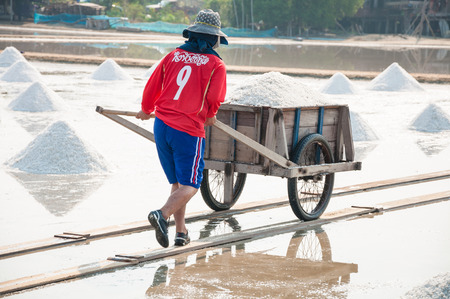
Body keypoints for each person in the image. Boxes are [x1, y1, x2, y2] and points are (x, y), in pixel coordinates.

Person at [136, 9, 228, 248]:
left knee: (178, 181)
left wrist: (146, 110)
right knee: (192, 184)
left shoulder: (174, 55)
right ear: (214, 38)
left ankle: (181, 232)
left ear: (192, 33)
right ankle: (161, 214)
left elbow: (153, 85)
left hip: (162, 126)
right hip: (188, 130)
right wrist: (209, 115)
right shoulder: (216, 64)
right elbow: (215, 98)